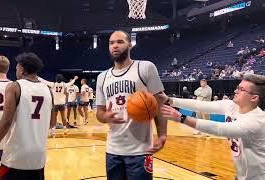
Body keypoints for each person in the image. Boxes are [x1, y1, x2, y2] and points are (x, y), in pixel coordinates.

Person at [161, 74, 265, 180]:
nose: (235, 91)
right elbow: (200, 105)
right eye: (237, 87)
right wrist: (170, 100)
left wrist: (182, 118)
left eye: (241, 89)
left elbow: (219, 129)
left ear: (254, 97)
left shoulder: (257, 121)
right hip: (242, 174)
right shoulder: (232, 106)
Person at [96, 30, 167, 179]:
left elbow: (159, 104)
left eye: (120, 42)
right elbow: (99, 114)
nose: (115, 46)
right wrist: (106, 117)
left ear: (130, 44)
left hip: (140, 151)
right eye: (111, 43)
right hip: (113, 150)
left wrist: (162, 135)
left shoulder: (145, 68)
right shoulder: (102, 78)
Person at [0, 52, 53, 180]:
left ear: (22, 70)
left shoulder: (14, 86)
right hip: (38, 157)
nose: (16, 71)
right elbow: (51, 121)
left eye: (17, 68)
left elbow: (6, 121)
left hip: (16, 157)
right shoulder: (48, 90)